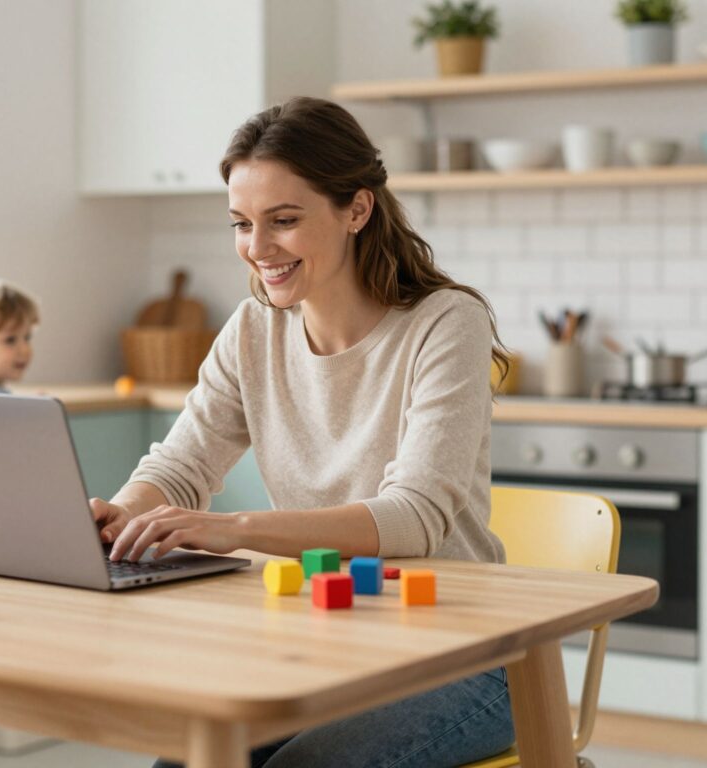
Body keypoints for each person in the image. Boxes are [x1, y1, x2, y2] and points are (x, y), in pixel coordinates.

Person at [90, 97, 515, 768]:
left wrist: (233, 528)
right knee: (187, 760)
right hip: (324, 646)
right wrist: (122, 517)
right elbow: (181, 466)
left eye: (283, 221)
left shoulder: (444, 323)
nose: (257, 249)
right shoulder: (254, 328)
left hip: (465, 657)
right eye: (241, 224)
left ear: (356, 209)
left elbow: (414, 519)